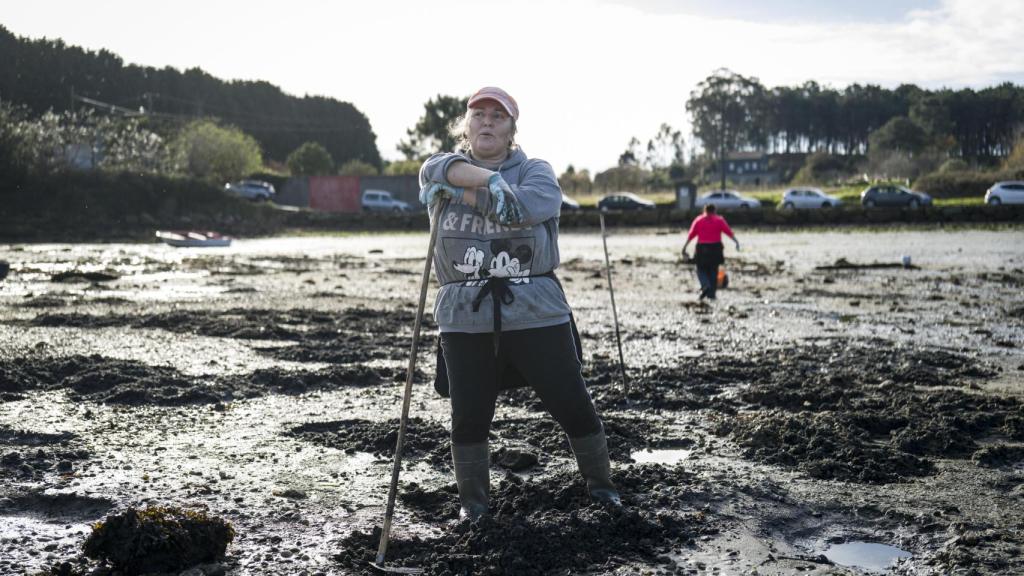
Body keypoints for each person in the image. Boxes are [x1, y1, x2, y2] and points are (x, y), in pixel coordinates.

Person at [418, 86, 620, 521]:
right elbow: (434, 168)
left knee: (572, 402)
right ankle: (473, 506)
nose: (487, 122)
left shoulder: (537, 171)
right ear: (466, 127)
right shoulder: (439, 169)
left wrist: (468, 192)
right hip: (463, 314)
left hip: (535, 308)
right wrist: (483, 181)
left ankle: (603, 490)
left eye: (498, 116)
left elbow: (521, 207)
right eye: (479, 115)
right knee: (468, 416)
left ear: (512, 130)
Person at [681, 203, 740, 300]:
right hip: (716, 248)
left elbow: (691, 235)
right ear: (714, 211)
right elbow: (728, 232)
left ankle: (705, 285)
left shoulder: (699, 220)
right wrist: (736, 242)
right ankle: (711, 293)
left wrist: (684, 247)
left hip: (702, 248)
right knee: (713, 270)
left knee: (701, 269)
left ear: (705, 210)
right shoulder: (719, 220)